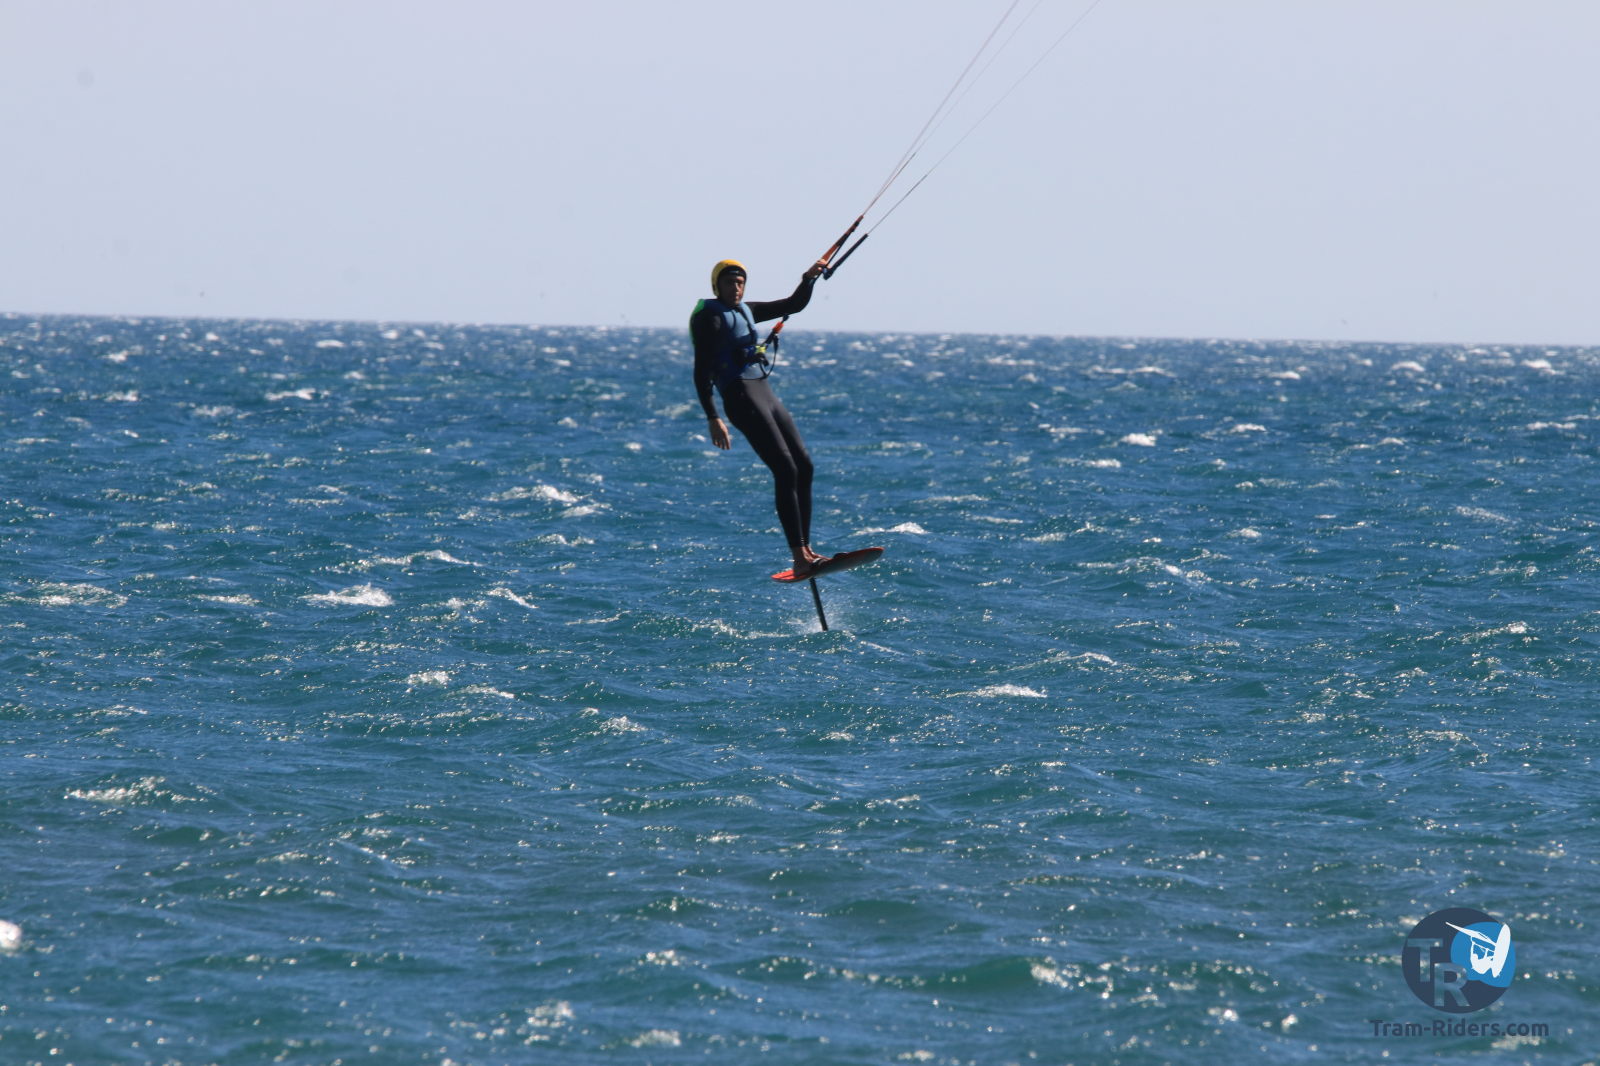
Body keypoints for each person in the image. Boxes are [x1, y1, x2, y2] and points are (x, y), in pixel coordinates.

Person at [692, 257, 830, 578]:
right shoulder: (709, 318)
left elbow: (793, 305)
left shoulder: (747, 310)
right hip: (740, 397)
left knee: (804, 466)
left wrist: (808, 278)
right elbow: (700, 371)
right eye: (729, 282)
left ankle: (807, 549)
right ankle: (798, 557)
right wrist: (712, 416)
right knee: (785, 468)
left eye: (740, 282)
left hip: (764, 392)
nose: (736, 288)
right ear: (716, 285)